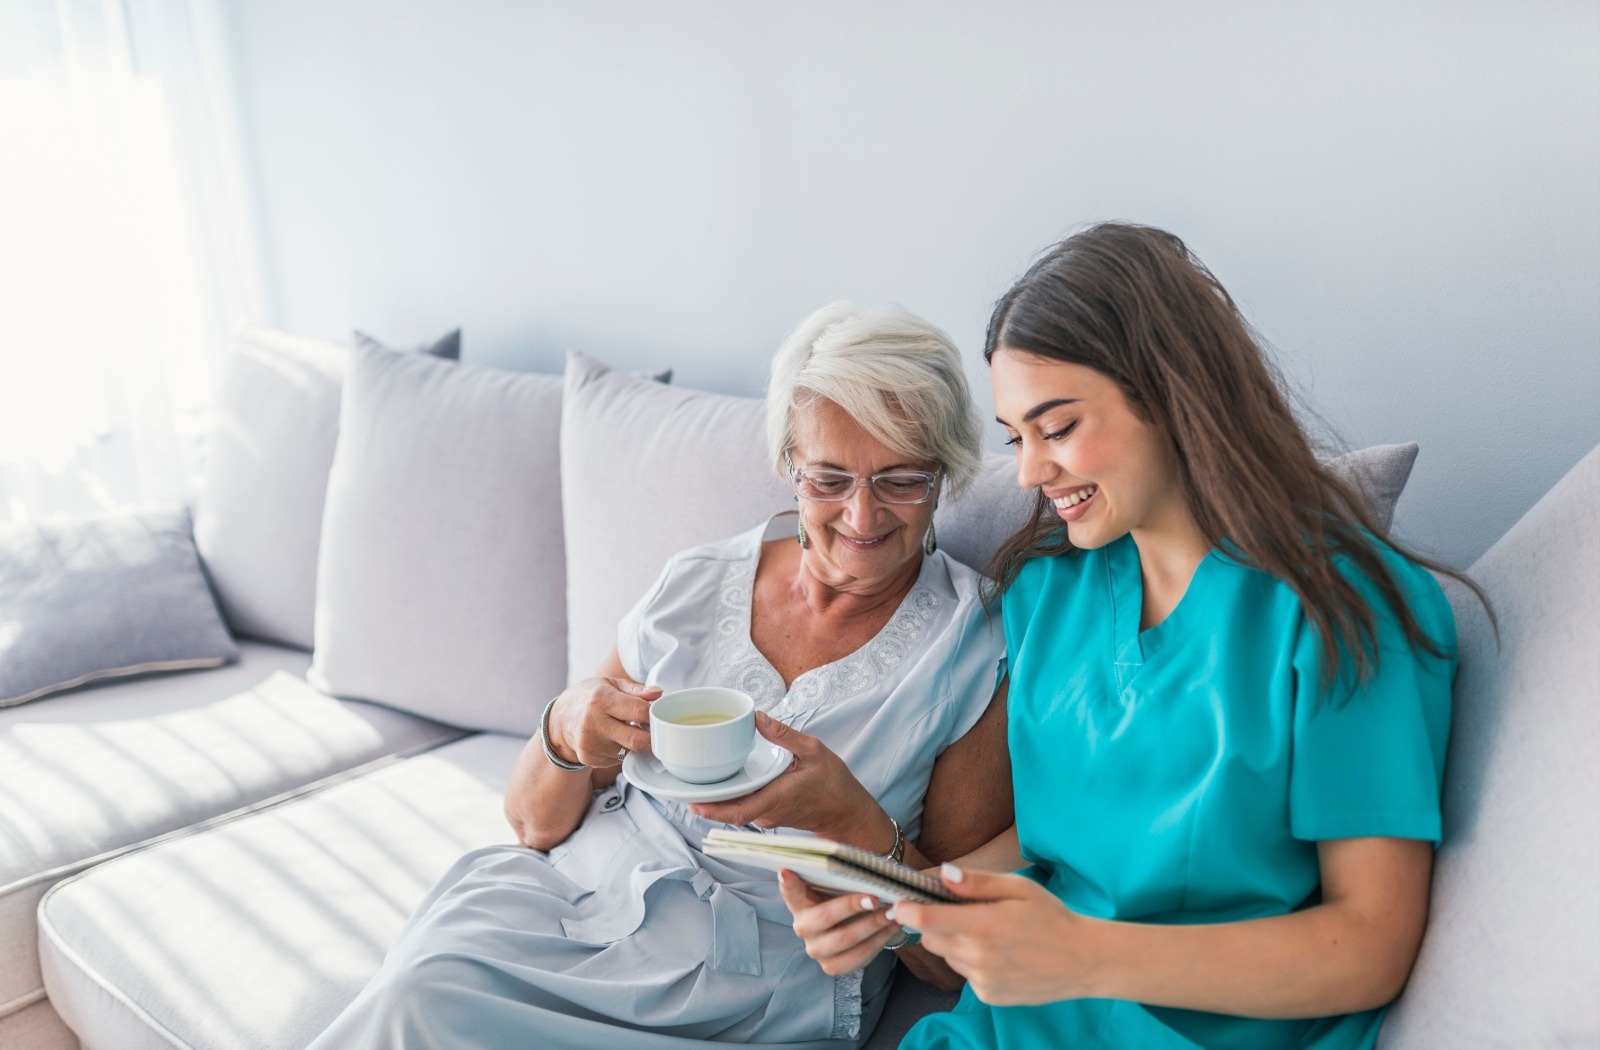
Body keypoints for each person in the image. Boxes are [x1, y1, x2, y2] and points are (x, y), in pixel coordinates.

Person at [781, 223, 1485, 1049]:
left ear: (1172, 394)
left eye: (1058, 427)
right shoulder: (1048, 592)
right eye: (1016, 437)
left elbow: (1368, 945)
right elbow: (1051, 848)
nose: (1030, 473)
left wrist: (1087, 956)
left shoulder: (1344, 607)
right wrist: (902, 906)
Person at [307, 302, 1013, 1050]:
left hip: (747, 983)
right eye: (829, 479)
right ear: (788, 466)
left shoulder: (970, 648)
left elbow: (948, 964)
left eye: (902, 479)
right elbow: (531, 825)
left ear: (944, 477)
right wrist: (566, 725)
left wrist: (852, 826)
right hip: (575, 902)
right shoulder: (696, 582)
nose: (862, 515)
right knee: (425, 986)